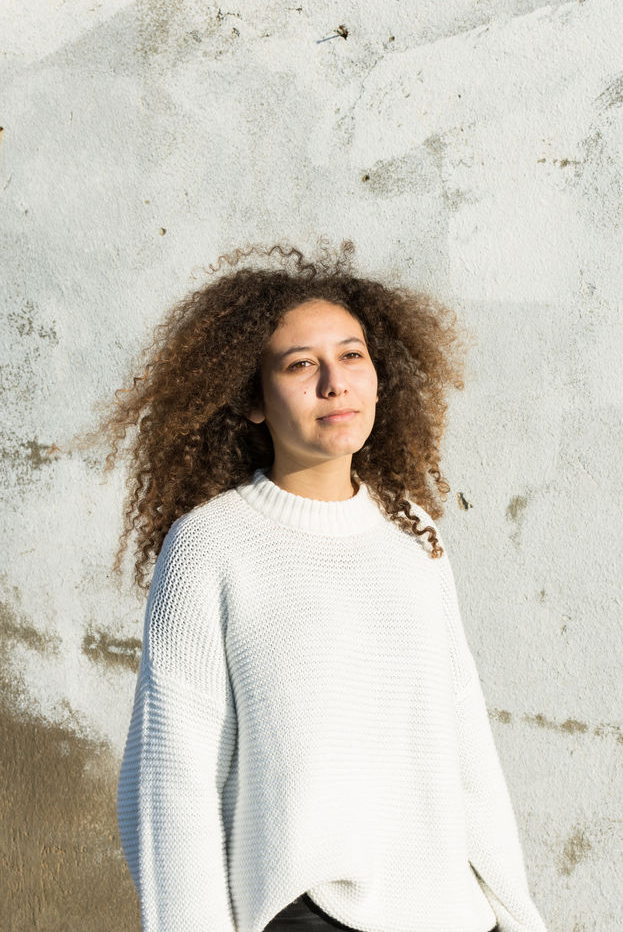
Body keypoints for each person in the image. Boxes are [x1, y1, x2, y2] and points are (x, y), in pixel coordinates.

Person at [83, 240, 547, 930]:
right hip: (308, 913)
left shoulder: (412, 535)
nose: (335, 383)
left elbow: (464, 741)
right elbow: (171, 776)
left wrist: (518, 913)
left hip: (452, 912)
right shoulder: (210, 544)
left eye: (352, 356)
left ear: (379, 378)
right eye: (301, 364)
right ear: (252, 399)